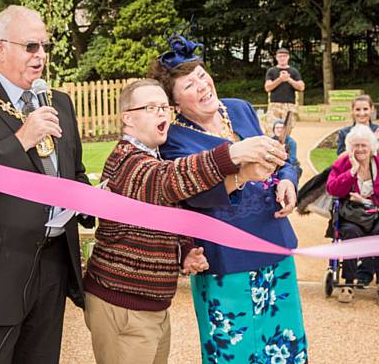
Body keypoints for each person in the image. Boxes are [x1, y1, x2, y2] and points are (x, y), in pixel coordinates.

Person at [82, 79, 286, 363]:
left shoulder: (152, 156)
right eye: (151, 107)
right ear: (127, 118)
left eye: (164, 106)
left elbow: (163, 212)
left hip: (151, 305)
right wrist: (232, 153)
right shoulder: (127, 161)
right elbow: (169, 181)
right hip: (123, 304)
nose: (162, 113)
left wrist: (184, 250)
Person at [148, 34, 308, 363]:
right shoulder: (173, 138)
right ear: (175, 103)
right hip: (225, 257)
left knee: (284, 346)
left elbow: (281, 157)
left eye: (202, 76)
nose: (203, 86)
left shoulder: (240, 108)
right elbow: (190, 194)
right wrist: (243, 175)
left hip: (273, 242)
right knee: (233, 352)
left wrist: (287, 180)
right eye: (190, 85)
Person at [0, 5, 93, 363]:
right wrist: (21, 139)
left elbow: (74, 172)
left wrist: (92, 200)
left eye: (44, 47)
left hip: (52, 264)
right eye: (31, 46)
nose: (41, 57)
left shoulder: (60, 103)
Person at [326, 125, 379, 307]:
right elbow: (332, 189)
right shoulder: (341, 166)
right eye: (356, 146)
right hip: (353, 215)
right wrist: (352, 171)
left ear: (372, 147)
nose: (360, 149)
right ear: (350, 148)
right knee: (351, 233)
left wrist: (369, 202)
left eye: (364, 145)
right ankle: (348, 283)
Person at [336, 94, 379, 160]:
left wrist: (375, 140)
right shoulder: (344, 132)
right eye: (358, 109)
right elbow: (340, 158)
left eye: (365, 109)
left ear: (372, 109)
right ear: (352, 110)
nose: (362, 113)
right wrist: (354, 145)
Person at [264, 47, 305, 132]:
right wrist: (280, 79)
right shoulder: (271, 71)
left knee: (287, 130)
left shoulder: (294, 71)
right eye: (280, 56)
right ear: (276, 57)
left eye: (284, 56)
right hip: (274, 105)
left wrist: (289, 79)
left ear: (288, 57)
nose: (282, 58)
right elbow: (267, 87)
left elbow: (301, 87)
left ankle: (285, 145)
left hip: (289, 105)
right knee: (271, 129)